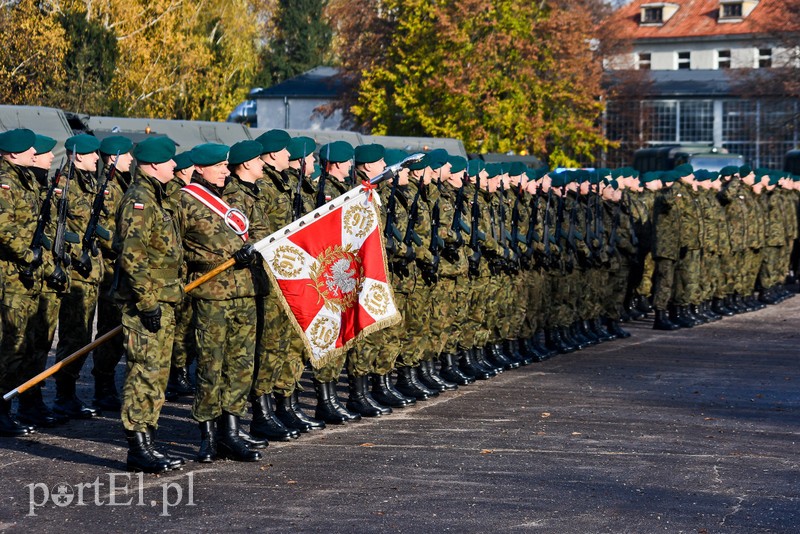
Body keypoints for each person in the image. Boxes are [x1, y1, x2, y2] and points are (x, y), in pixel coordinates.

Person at [181, 142, 261, 463]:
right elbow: (178, 248)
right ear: (200, 167)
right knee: (210, 365)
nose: (226, 171)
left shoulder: (230, 198)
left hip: (244, 290)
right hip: (211, 293)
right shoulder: (185, 201)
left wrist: (250, 249)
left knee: (240, 365)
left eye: (226, 166)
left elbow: (254, 232)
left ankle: (231, 432)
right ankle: (208, 434)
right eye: (219, 166)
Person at [112, 136, 185, 473]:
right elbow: (132, 255)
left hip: (163, 298)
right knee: (144, 372)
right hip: (147, 304)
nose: (175, 166)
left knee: (157, 375)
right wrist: (148, 301)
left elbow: (161, 255)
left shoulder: (158, 197)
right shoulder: (139, 201)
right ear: (154, 164)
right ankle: (138, 446)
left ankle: (148, 441)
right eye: (170, 161)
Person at [53, 133, 103, 419]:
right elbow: (58, 228)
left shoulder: (89, 183)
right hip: (75, 272)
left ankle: (68, 394)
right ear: (79, 156)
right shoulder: (64, 186)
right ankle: (62, 395)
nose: (97, 158)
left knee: (83, 336)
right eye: (92, 153)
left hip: (90, 271)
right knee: (73, 336)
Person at [0, 128, 44, 436]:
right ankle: (0, 411)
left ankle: (11, 407)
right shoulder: (6, 182)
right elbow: (3, 230)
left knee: (22, 344)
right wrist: (29, 255)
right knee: (10, 346)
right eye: (30, 148)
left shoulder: (23, 178)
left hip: (24, 277)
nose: (35, 152)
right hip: (10, 276)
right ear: (14, 153)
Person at [92, 135, 135, 412]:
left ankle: (106, 387)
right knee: (108, 329)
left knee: (117, 332)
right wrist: (125, 245)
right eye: (127, 155)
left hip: (120, 266)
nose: (131, 160)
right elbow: (102, 229)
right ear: (113, 158)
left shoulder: (123, 184)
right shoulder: (106, 189)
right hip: (110, 269)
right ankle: (102, 388)